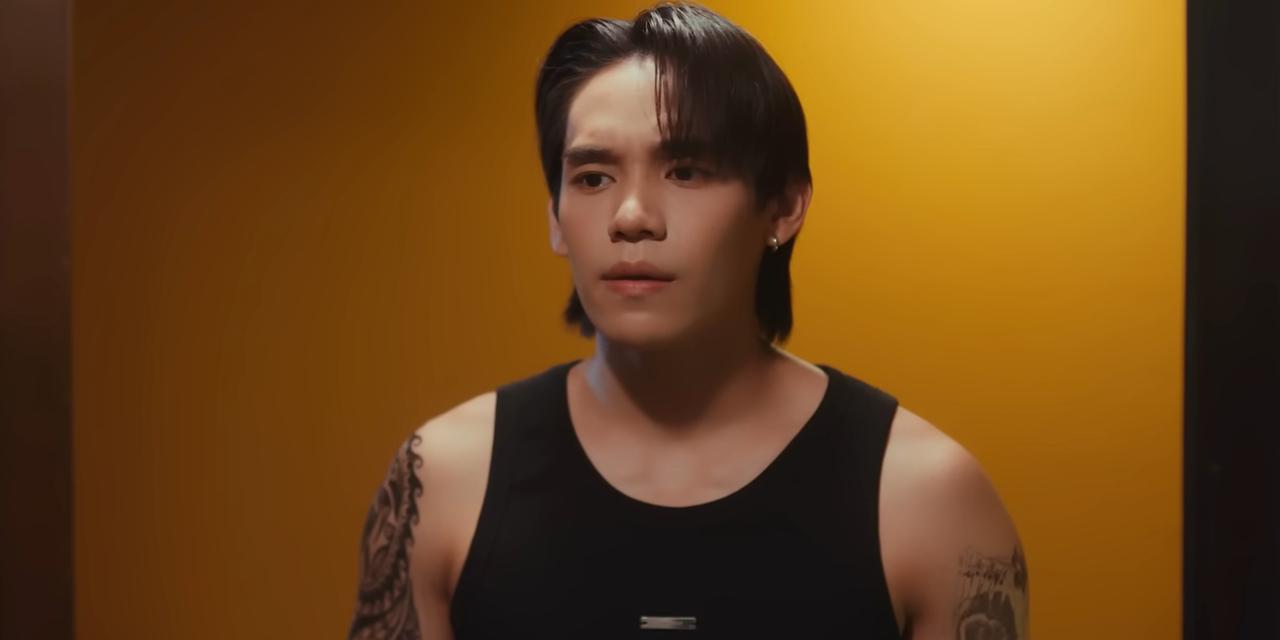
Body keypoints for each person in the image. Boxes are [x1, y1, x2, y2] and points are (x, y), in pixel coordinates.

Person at [348, 3, 1029, 639]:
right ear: (555, 217)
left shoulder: (925, 496)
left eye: (687, 171)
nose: (631, 216)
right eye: (592, 178)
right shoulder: (443, 481)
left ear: (783, 207)